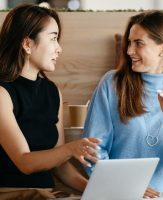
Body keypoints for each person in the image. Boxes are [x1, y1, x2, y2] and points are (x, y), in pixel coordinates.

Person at [83, 10, 163, 199]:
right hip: (114, 193)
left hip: (158, 197)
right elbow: (91, 150)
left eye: (139, 43)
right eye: (129, 42)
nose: (129, 51)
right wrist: (125, 187)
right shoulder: (112, 83)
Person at [0, 4, 100, 199]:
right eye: (53, 38)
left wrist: (100, 191)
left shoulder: (52, 92)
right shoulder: (3, 93)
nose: (59, 48)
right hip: (12, 193)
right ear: (27, 44)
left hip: (47, 193)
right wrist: (71, 148)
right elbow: (24, 162)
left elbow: (60, 166)